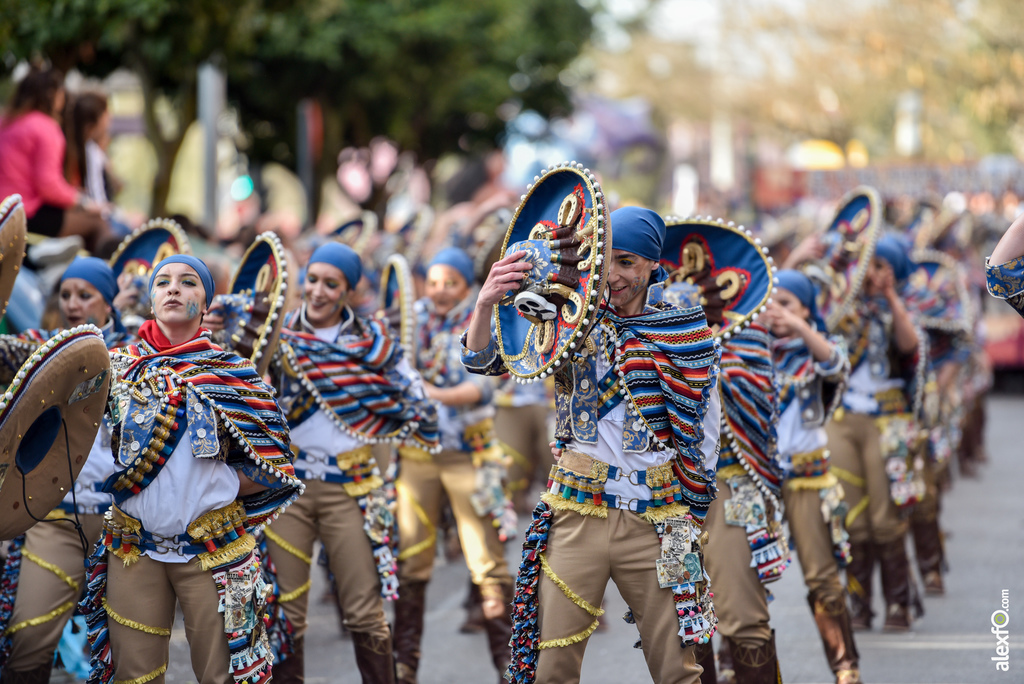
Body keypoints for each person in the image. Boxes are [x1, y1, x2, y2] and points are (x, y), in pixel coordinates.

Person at [463, 207, 722, 684]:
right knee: (554, 668)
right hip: (576, 513)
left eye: (627, 262)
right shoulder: (565, 322)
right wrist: (486, 304)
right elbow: (487, 362)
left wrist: (692, 516)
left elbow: (704, 436)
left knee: (679, 669)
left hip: (659, 519)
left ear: (652, 266)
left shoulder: (687, 336)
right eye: (605, 261)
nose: (613, 275)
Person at [77, 254, 301, 684]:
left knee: (223, 677)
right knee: (133, 677)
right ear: (150, 299)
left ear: (206, 302)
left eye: (188, 282)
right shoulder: (113, 368)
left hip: (213, 549)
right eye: (163, 282)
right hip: (133, 549)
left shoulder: (234, 374)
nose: (174, 289)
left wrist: (226, 482)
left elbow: (275, 462)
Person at [257, 242, 439, 683]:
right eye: (312, 280)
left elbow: (417, 403)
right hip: (289, 491)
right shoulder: (276, 340)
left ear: (350, 292)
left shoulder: (375, 344)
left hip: (351, 489)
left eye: (331, 283)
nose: (318, 291)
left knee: (362, 610)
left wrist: (385, 411)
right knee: (284, 610)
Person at [0, 257, 134, 683]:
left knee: (135, 655)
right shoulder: (42, 351)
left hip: (126, 525)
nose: (73, 304)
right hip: (55, 521)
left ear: (109, 303)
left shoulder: (140, 355)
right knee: (27, 641)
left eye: (85, 295)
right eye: (65, 295)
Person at [393, 247, 514, 684]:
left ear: (468, 286)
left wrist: (427, 393)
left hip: (470, 454)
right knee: (411, 559)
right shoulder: (408, 318)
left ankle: (508, 666)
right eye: (435, 281)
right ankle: (403, 667)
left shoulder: (487, 318)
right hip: (418, 455)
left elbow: (482, 389)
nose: (441, 291)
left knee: (487, 561)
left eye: (452, 283)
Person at [762, 270, 861, 684]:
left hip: (807, 477)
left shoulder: (817, 347)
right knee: (745, 580)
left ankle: (845, 666)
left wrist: (803, 328)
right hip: (757, 480)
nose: (777, 313)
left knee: (821, 575)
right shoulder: (750, 346)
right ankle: (737, 666)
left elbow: (837, 365)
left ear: (806, 309)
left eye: (788, 305)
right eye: (771, 303)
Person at [824, 236, 925, 632]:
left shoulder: (904, 306)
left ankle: (899, 604)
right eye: (871, 264)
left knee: (886, 515)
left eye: (884, 265)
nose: (875, 272)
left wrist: (891, 299)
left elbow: (910, 346)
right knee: (849, 514)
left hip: (888, 418)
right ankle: (860, 604)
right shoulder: (844, 306)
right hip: (844, 416)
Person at [0, 68, 111, 251]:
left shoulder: (6, 122)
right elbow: (48, 185)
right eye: (60, 92)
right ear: (52, 95)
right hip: (25, 215)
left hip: (4, 212)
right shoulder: (45, 127)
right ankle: (108, 275)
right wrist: (84, 202)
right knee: (97, 223)